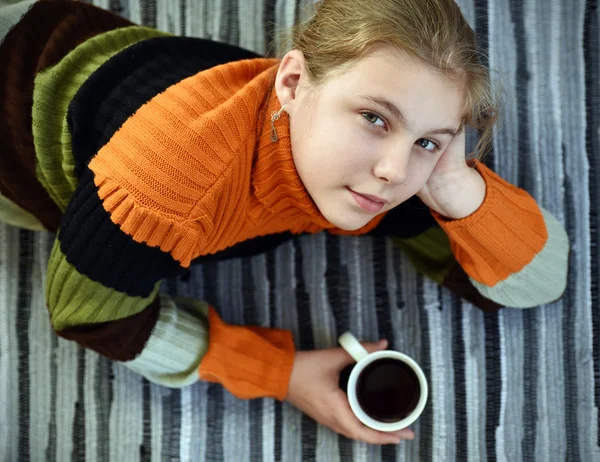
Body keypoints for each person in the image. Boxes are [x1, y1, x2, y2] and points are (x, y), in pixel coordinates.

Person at [0, 0, 568, 445]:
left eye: (428, 141)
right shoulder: (159, 197)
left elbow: (529, 286)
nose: (393, 171)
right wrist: (281, 372)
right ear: (292, 83)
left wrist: (455, 186)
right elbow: (89, 318)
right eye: (373, 118)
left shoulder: (390, 173)